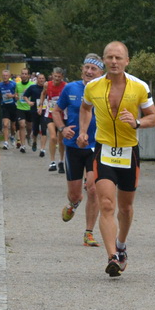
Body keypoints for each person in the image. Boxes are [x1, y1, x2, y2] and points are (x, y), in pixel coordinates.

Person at [79, 41, 155, 277]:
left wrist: (136, 122)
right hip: (103, 150)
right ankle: (112, 256)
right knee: (106, 204)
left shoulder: (139, 87)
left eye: (118, 58)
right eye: (110, 57)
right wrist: (84, 131)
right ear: (104, 60)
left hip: (128, 152)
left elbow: (153, 118)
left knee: (125, 207)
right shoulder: (92, 87)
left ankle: (121, 244)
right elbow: (84, 108)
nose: (114, 62)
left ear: (127, 61)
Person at [53, 54, 104, 245]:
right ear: (82, 69)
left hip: (96, 145)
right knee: (75, 193)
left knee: (93, 188)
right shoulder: (70, 88)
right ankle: (73, 204)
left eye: (94, 69)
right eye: (87, 67)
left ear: (101, 73)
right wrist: (62, 128)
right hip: (74, 146)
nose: (89, 72)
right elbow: (57, 110)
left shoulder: (105, 90)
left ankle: (88, 232)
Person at [43, 67, 67, 171]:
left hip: (62, 116)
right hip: (50, 115)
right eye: (55, 76)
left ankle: (61, 161)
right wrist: (41, 106)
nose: (56, 78)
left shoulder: (65, 86)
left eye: (59, 77)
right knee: (53, 137)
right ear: (52, 75)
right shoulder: (47, 84)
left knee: (61, 141)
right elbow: (43, 94)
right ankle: (52, 162)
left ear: (62, 77)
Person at [0, 71, 19, 149]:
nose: (5, 77)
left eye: (6, 75)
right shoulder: (0, 85)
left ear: (9, 76)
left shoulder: (13, 84)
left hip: (13, 106)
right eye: (3, 75)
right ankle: (6, 142)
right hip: (5, 106)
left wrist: (11, 96)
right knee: (5, 125)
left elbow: (17, 95)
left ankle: (12, 136)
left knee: (13, 125)